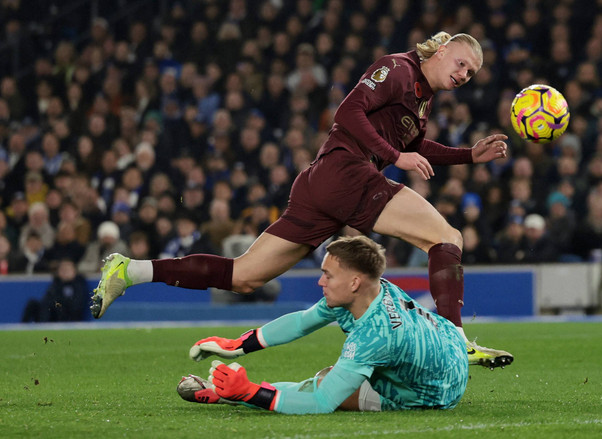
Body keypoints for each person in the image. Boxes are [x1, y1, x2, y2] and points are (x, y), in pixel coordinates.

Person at [91, 32, 512, 368]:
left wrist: (468, 155)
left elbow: (418, 145)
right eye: (461, 64)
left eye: (472, 73)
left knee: (244, 276)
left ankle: (130, 271)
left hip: (322, 184)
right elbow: (348, 113)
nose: (464, 75)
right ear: (440, 50)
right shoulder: (397, 69)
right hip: (347, 173)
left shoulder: (421, 94)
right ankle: (455, 341)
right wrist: (395, 156)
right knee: (446, 237)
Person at [177, 236, 468, 413]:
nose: (320, 281)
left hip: (438, 391)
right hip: (448, 344)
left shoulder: (375, 336)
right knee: (333, 377)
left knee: (327, 383)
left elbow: (322, 402)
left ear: (354, 282)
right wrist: (240, 345)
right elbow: (304, 322)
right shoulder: (370, 289)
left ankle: (226, 396)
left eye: (328, 275)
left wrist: (251, 392)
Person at [21, 258, 89, 322]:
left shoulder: (79, 284)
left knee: (53, 305)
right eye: (62, 269)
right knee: (33, 304)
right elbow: (47, 299)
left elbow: (77, 305)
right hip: (53, 313)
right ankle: (24, 328)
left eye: (67, 269)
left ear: (74, 271)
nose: (64, 272)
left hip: (68, 316)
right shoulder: (56, 283)